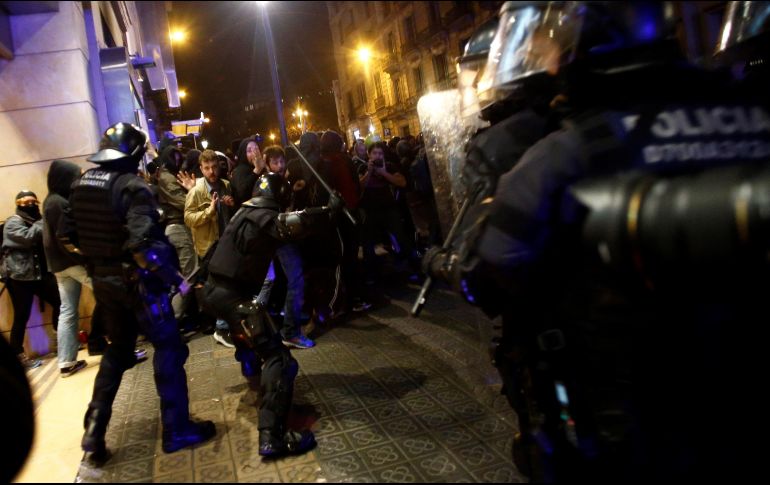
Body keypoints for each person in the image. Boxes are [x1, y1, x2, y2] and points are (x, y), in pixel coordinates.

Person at [430, 1, 770, 480]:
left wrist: (442, 264)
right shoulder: (748, 115)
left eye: (549, 41)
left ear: (588, 39)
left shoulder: (567, 149)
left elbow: (487, 270)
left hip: (631, 409)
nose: (541, 57)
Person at [59, 123, 216, 467]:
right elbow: (143, 247)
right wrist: (178, 279)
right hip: (138, 285)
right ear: (131, 153)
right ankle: (177, 429)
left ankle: (95, 430)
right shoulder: (131, 186)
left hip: (104, 284)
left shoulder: (80, 184)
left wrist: (99, 263)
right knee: (170, 348)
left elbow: (66, 237)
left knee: (117, 352)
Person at [202, 172, 344, 457]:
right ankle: (272, 437)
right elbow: (293, 223)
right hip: (235, 298)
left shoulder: (245, 210)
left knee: (251, 344)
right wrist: (329, 211)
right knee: (281, 360)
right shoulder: (264, 216)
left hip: (215, 293)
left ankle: (260, 379)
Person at [255, 147, 314, 349]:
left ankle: (280, 322)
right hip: (278, 238)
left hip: (277, 237)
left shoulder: (276, 181)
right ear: (267, 163)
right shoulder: (267, 183)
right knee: (294, 280)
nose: (279, 166)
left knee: (273, 280)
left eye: (281, 161)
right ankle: (290, 331)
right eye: (275, 162)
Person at [2, 191, 60, 370]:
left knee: (60, 302)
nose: (31, 205)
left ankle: (61, 341)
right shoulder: (13, 222)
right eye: (26, 202)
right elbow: (27, 239)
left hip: (39, 275)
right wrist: (43, 222)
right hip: (20, 277)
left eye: (33, 202)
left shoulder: (37, 221)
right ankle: (18, 357)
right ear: (18, 204)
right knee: (22, 316)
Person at [184, 149, 235, 347]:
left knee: (226, 285)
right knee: (218, 287)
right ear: (201, 169)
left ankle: (225, 325)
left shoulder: (226, 186)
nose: (211, 171)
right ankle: (221, 327)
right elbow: (188, 218)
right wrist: (208, 211)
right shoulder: (196, 190)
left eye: (214, 167)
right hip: (209, 246)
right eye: (207, 168)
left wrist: (230, 205)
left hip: (225, 242)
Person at [42, 160, 89, 377]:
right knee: (111, 295)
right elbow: (66, 237)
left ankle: (66, 361)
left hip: (59, 266)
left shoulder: (50, 201)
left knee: (67, 311)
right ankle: (122, 346)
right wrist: (84, 257)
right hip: (71, 263)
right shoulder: (58, 203)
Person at [231, 137, 264, 207]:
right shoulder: (239, 170)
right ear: (243, 153)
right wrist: (257, 170)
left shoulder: (262, 168)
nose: (254, 153)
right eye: (249, 151)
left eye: (256, 149)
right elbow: (243, 194)